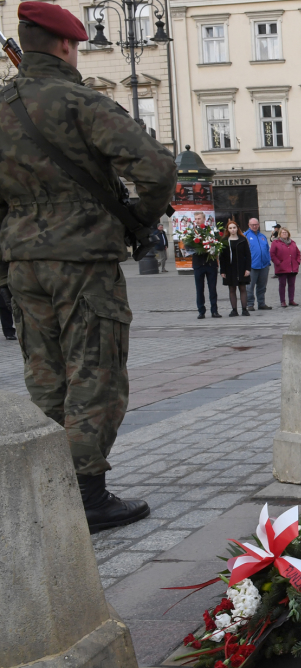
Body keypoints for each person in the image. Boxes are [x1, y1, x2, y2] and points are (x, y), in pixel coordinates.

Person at [0, 1, 177, 532]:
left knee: (45, 374)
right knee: (94, 373)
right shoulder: (79, 100)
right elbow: (156, 168)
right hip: (83, 258)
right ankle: (87, 495)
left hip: (22, 262)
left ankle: (50, 485)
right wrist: (136, 223)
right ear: (64, 44)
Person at [219, 221, 251, 316]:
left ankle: (244, 309)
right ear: (227, 230)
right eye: (230, 228)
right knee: (232, 289)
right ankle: (234, 310)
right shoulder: (225, 240)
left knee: (242, 288)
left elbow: (248, 255)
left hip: (241, 267)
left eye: (234, 227)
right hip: (230, 268)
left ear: (237, 228)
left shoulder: (242, 239)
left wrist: (248, 269)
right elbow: (222, 257)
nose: (233, 230)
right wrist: (222, 270)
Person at [244, 218, 272, 311]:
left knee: (262, 286)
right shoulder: (245, 236)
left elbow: (267, 250)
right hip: (251, 266)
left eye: (256, 224)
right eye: (252, 225)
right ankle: (250, 304)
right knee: (250, 287)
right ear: (249, 225)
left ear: (259, 225)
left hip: (264, 265)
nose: (254, 226)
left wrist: (268, 262)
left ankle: (261, 303)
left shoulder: (262, 236)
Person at [270, 227, 301, 307]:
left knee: (292, 284)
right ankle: (283, 301)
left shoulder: (292, 242)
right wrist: (278, 263)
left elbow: (298, 253)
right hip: (281, 268)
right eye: (283, 232)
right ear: (280, 234)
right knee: (282, 284)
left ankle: (291, 300)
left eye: (286, 232)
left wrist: (297, 262)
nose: (284, 234)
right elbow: (272, 254)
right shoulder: (275, 242)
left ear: (288, 234)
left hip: (292, 267)